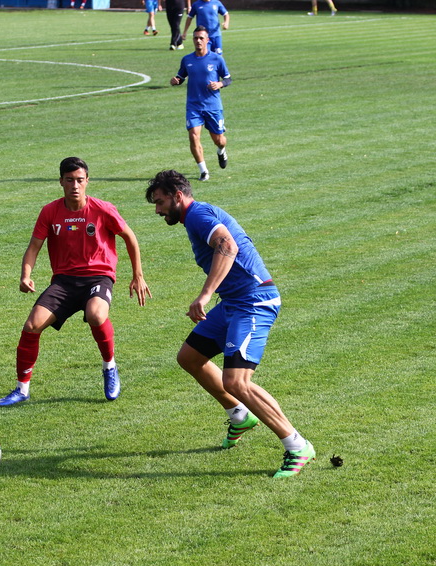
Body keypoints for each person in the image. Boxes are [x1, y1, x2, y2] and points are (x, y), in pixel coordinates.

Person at [145, 169, 316, 478]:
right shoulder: (195, 216)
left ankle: (297, 445)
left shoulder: (198, 216)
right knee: (190, 358)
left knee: (236, 382)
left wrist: (205, 295)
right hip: (234, 303)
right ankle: (239, 415)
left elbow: (227, 246)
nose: (157, 210)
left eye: (159, 202)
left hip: (254, 301)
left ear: (177, 196)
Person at [0, 157, 151, 407]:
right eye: (69, 180)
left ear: (87, 181)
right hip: (64, 282)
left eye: (80, 180)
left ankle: (109, 368)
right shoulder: (50, 211)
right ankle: (22, 389)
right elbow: (34, 246)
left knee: (96, 315)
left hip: (98, 277)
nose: (75, 185)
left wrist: (138, 275)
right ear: (61, 182)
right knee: (32, 325)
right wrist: (26, 274)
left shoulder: (103, 209)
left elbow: (129, 237)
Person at [170, 26, 230, 182]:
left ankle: (221, 150)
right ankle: (203, 171)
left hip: (213, 106)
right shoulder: (187, 59)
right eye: (195, 38)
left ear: (207, 40)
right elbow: (180, 77)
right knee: (193, 136)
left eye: (201, 38)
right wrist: (175, 81)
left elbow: (228, 79)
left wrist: (220, 84)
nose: (198, 41)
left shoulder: (217, 59)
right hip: (194, 106)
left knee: (219, 139)